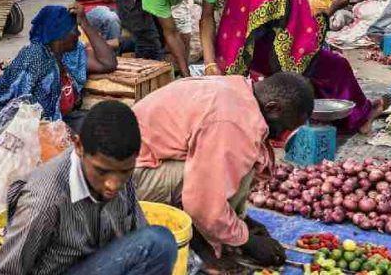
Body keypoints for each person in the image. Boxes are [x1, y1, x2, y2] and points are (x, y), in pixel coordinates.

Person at [133, 72, 311, 274]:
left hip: (145, 162)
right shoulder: (232, 122)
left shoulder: (240, 91)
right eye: (285, 128)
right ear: (272, 108)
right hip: (127, 182)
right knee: (227, 171)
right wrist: (247, 241)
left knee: (238, 162)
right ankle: (201, 249)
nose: (280, 135)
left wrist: (243, 222)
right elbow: (202, 202)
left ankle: (217, 230)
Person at [216, 0, 388, 133]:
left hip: (247, 60)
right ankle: (361, 117)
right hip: (277, 60)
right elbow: (297, 39)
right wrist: (331, 10)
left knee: (324, 59)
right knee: (337, 64)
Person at [0, 101, 178, 275]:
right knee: (157, 242)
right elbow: (5, 271)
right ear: (79, 146)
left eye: (124, 171)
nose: (113, 184)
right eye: (102, 171)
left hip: (97, 266)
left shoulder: (120, 175)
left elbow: (136, 238)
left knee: (157, 245)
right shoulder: (43, 199)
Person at [0, 5, 117, 144]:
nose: (77, 33)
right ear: (60, 35)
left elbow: (108, 63)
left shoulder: (71, 55)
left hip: (60, 120)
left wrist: (85, 23)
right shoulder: (34, 57)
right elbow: (18, 107)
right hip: (29, 128)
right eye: (74, 29)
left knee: (104, 125)